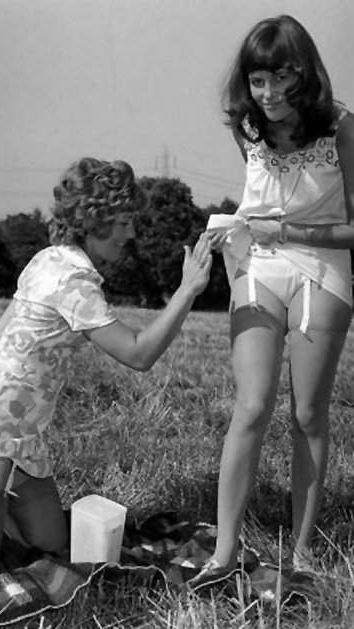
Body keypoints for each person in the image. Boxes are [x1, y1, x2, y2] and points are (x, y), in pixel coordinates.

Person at [0, 157, 213, 580]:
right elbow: (138, 355)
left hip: (23, 435)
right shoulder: (74, 280)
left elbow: (1, 328)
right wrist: (187, 291)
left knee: (51, 544)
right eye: (124, 222)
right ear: (94, 221)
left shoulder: (49, 259)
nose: (131, 234)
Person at [192, 14, 354, 583]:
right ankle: (223, 552)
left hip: (323, 266)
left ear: (305, 73)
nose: (268, 93)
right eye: (258, 81)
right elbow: (260, 200)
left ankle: (302, 552)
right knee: (252, 405)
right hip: (260, 263)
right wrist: (237, 227)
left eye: (281, 78)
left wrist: (288, 230)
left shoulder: (342, 128)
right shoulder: (248, 127)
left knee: (308, 413)